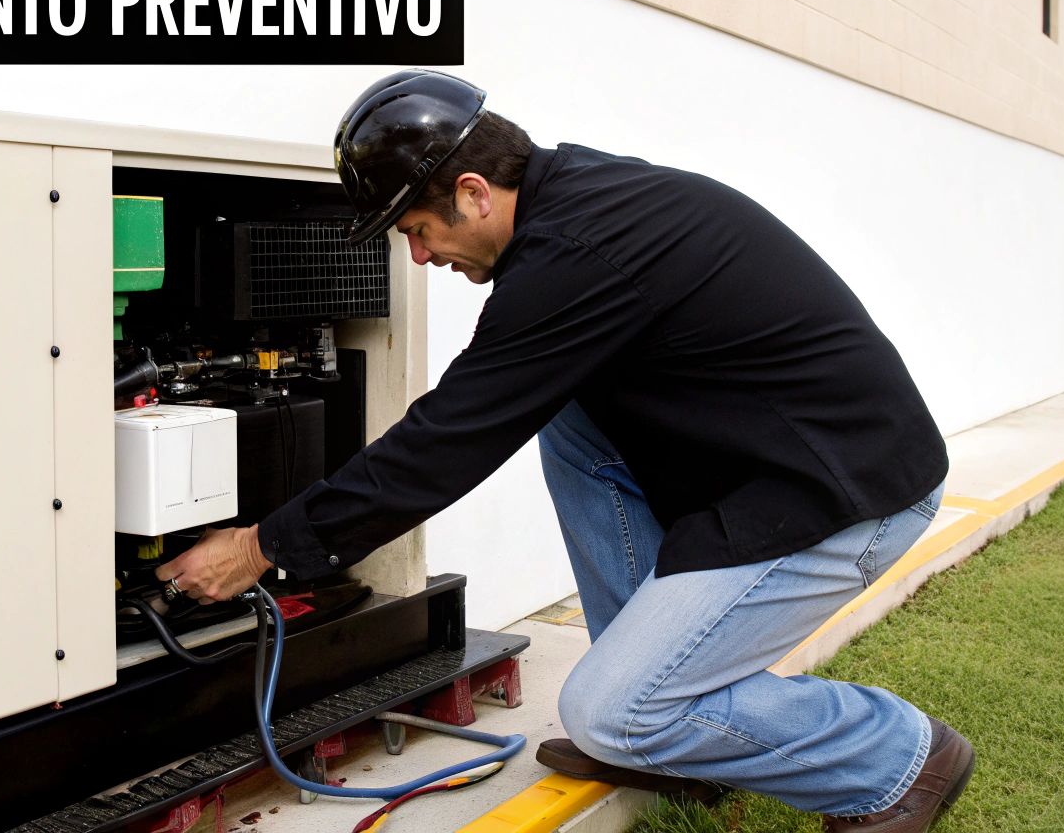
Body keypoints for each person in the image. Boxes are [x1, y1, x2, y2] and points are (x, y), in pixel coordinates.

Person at [157, 70, 976, 831]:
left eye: (418, 230)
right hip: (773, 460)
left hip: (848, 491)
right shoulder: (574, 200)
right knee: (569, 419)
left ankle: (898, 756)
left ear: (472, 192)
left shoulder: (575, 256)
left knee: (611, 712)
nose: (420, 256)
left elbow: (448, 438)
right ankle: (653, 714)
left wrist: (263, 546)